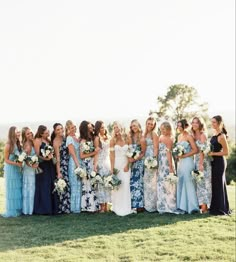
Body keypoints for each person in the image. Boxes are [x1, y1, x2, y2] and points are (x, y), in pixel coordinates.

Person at [208, 115, 231, 215]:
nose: (212, 124)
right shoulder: (214, 133)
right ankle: (215, 207)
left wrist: (213, 154)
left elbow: (226, 152)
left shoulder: (221, 136)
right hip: (213, 161)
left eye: (214, 122)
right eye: (212, 122)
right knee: (215, 184)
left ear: (219, 123)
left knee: (219, 184)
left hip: (220, 162)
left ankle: (221, 209)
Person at [176, 119, 199, 214]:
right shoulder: (179, 136)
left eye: (180, 126)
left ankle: (192, 206)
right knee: (181, 181)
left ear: (185, 126)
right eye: (177, 126)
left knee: (188, 182)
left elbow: (195, 150)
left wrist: (184, 155)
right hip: (181, 163)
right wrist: (178, 155)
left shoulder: (189, 136)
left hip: (188, 161)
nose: (179, 127)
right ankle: (182, 206)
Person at [33, 125, 58, 215]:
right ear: (41, 133)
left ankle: (53, 208)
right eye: (46, 132)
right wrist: (45, 158)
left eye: (48, 132)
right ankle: (44, 208)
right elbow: (37, 155)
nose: (48, 133)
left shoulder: (47, 140)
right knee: (44, 185)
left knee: (51, 184)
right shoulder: (37, 141)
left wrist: (52, 156)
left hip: (50, 165)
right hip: (43, 166)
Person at [110, 122, 133, 216]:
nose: (116, 129)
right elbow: (111, 155)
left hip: (126, 164)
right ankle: (117, 207)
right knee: (118, 186)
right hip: (117, 164)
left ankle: (126, 207)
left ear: (121, 128)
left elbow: (131, 154)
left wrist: (128, 165)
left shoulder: (128, 138)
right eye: (114, 128)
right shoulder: (112, 140)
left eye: (117, 127)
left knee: (126, 184)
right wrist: (112, 169)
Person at [157, 122, 179, 214]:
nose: (162, 131)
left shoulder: (169, 139)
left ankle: (169, 205)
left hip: (166, 162)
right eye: (161, 129)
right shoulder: (161, 137)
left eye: (164, 129)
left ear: (168, 129)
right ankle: (163, 204)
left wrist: (170, 167)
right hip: (161, 162)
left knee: (167, 183)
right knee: (162, 183)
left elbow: (168, 153)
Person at [191, 117, 212, 213]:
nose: (194, 124)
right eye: (193, 122)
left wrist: (200, 164)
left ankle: (205, 207)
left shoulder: (203, 135)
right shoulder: (193, 135)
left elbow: (203, 150)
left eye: (196, 123)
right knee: (199, 184)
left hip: (203, 162)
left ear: (200, 124)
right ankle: (202, 206)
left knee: (205, 184)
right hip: (196, 161)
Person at [2, 126, 22, 217]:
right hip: (11, 169)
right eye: (16, 132)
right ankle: (12, 210)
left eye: (19, 132)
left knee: (17, 188)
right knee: (12, 189)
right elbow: (6, 160)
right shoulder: (8, 145)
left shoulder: (17, 143)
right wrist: (16, 163)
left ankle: (18, 208)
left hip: (17, 168)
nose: (18, 133)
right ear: (12, 133)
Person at [79, 120, 100, 212]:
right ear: (85, 129)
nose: (91, 128)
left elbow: (96, 153)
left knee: (93, 184)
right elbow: (81, 155)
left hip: (92, 163)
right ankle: (87, 206)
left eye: (91, 126)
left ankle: (94, 206)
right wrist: (93, 153)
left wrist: (95, 165)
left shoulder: (93, 138)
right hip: (86, 163)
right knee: (87, 185)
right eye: (89, 127)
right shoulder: (83, 140)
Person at [127, 119, 146, 213]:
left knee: (138, 183)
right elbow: (129, 149)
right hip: (131, 162)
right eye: (132, 126)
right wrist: (130, 158)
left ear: (139, 126)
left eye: (135, 125)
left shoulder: (142, 138)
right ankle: (132, 204)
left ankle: (140, 205)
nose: (133, 127)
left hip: (138, 163)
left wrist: (135, 159)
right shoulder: (130, 137)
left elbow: (143, 153)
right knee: (132, 183)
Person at [52, 123, 70, 214]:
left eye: (61, 129)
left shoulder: (65, 138)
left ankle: (69, 206)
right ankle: (63, 208)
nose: (60, 131)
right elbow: (57, 158)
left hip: (69, 163)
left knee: (68, 185)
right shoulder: (55, 142)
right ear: (55, 131)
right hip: (62, 165)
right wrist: (58, 172)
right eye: (58, 129)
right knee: (64, 186)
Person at [94, 120, 111, 212]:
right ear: (98, 128)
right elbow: (96, 153)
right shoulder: (97, 138)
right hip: (100, 162)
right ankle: (102, 207)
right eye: (101, 127)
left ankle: (107, 205)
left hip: (107, 161)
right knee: (101, 184)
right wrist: (95, 164)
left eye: (104, 127)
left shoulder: (108, 137)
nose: (103, 129)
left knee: (107, 183)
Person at [65, 120, 81, 213]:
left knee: (79, 184)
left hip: (80, 161)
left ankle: (79, 206)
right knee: (74, 184)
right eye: (71, 127)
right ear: (68, 129)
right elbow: (72, 153)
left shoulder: (77, 137)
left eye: (74, 126)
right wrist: (77, 165)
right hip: (74, 163)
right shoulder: (69, 138)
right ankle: (74, 208)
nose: (74, 128)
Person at [143, 117, 158, 212]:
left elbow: (156, 147)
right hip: (145, 158)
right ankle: (147, 205)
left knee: (152, 182)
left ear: (154, 125)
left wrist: (154, 160)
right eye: (148, 123)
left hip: (151, 159)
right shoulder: (145, 133)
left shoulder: (154, 134)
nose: (149, 125)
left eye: (151, 124)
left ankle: (152, 206)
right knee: (146, 182)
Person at [21, 127, 38, 215]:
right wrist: (32, 165)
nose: (30, 134)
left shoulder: (32, 142)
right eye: (28, 134)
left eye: (30, 132)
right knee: (29, 189)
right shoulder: (27, 144)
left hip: (33, 169)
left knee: (32, 189)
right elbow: (25, 159)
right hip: (28, 170)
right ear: (24, 136)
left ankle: (31, 209)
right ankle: (28, 210)